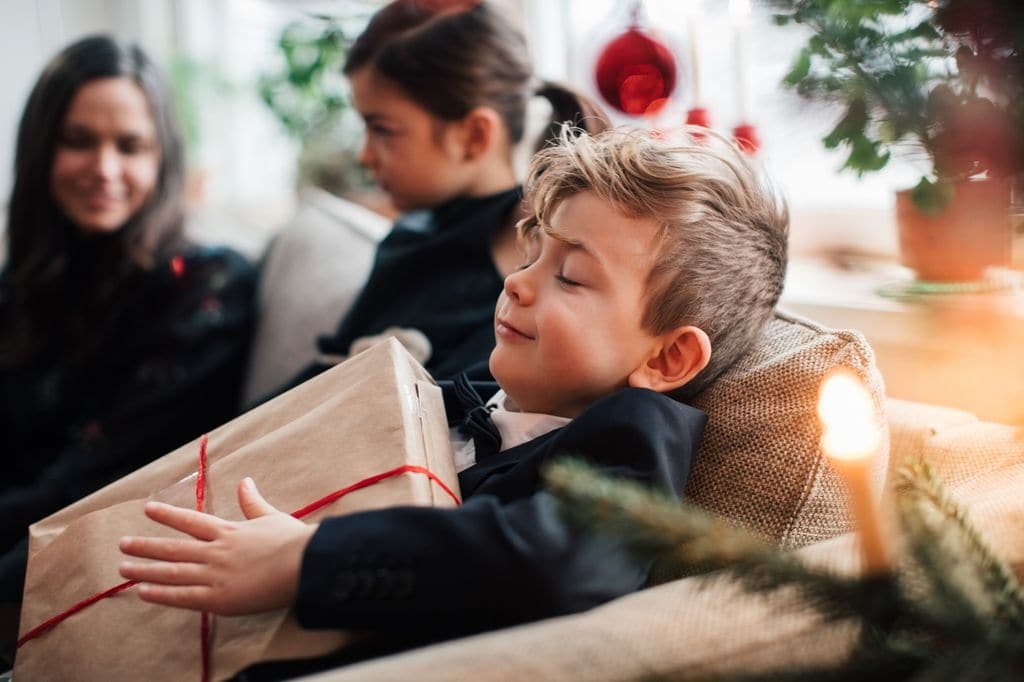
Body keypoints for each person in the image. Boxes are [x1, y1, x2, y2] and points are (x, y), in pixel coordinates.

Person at [119, 126, 789, 676]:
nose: (520, 284)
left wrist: (306, 558)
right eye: (532, 255)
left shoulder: (634, 435)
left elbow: (560, 561)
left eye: (571, 276)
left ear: (667, 358)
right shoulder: (472, 388)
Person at [0, 35, 256, 658]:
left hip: (77, 565)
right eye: (79, 140)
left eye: (131, 146)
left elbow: (93, 480)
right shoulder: (27, 281)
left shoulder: (207, 286)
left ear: (162, 158)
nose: (105, 168)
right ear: (41, 150)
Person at [275, 0, 610, 392]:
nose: (364, 155)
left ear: (473, 136)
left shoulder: (521, 285)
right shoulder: (411, 238)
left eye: (382, 129)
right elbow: (331, 372)